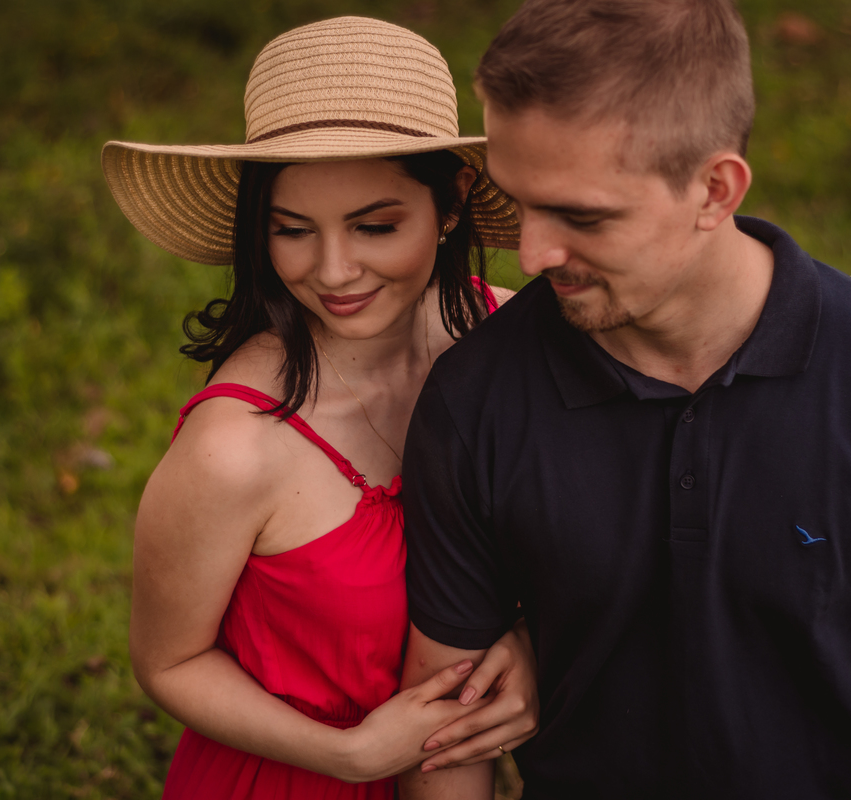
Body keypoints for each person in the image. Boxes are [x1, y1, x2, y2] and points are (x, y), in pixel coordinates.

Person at [399, 1, 851, 798]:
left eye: (582, 215)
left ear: (715, 188)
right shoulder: (475, 399)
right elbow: (453, 738)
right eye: (518, 200)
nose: (530, 253)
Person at [100, 17, 539, 800]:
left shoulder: (513, 347)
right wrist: (350, 756)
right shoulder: (234, 449)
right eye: (292, 230)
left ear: (452, 201)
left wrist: (529, 643)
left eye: (376, 225)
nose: (335, 271)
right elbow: (167, 662)